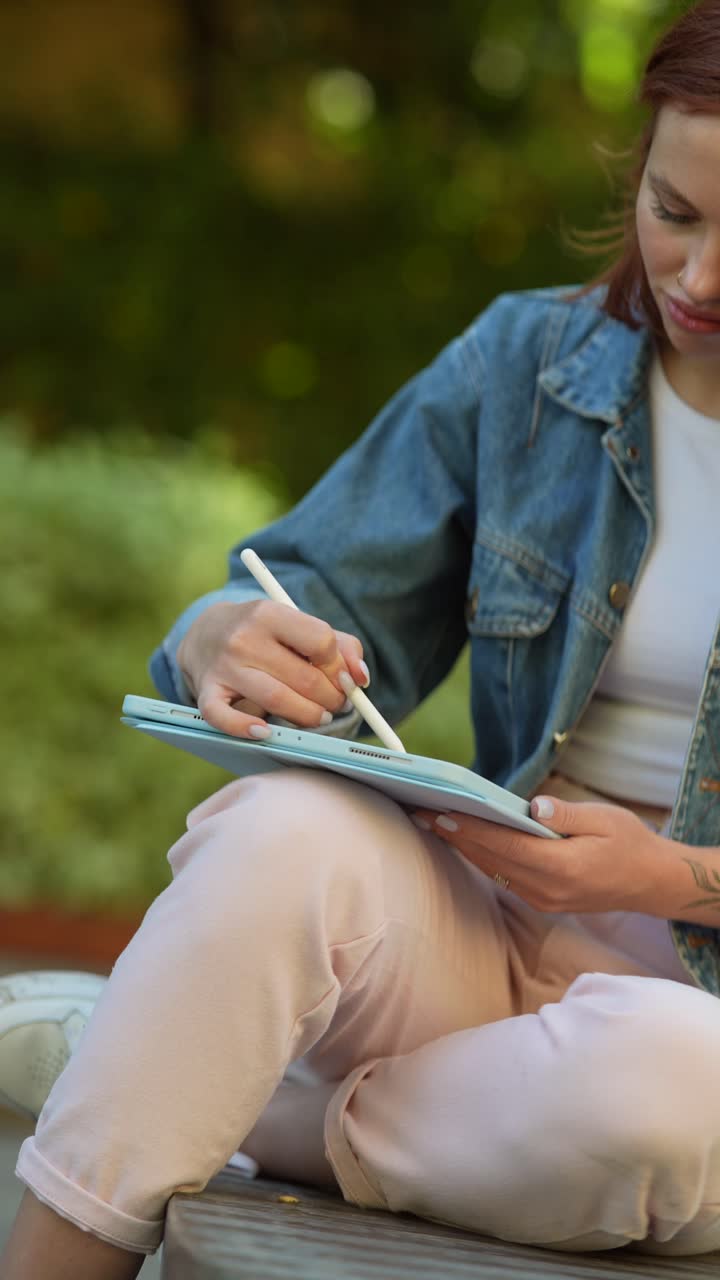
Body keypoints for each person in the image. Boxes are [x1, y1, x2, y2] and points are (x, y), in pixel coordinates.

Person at [4, 2, 720, 1274]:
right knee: (283, 834)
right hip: (491, 941)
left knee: (671, 1086)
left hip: (685, 1034)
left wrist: (665, 879)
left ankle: (249, 1102)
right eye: (675, 213)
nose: (699, 279)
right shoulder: (532, 367)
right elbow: (309, 587)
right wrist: (224, 632)